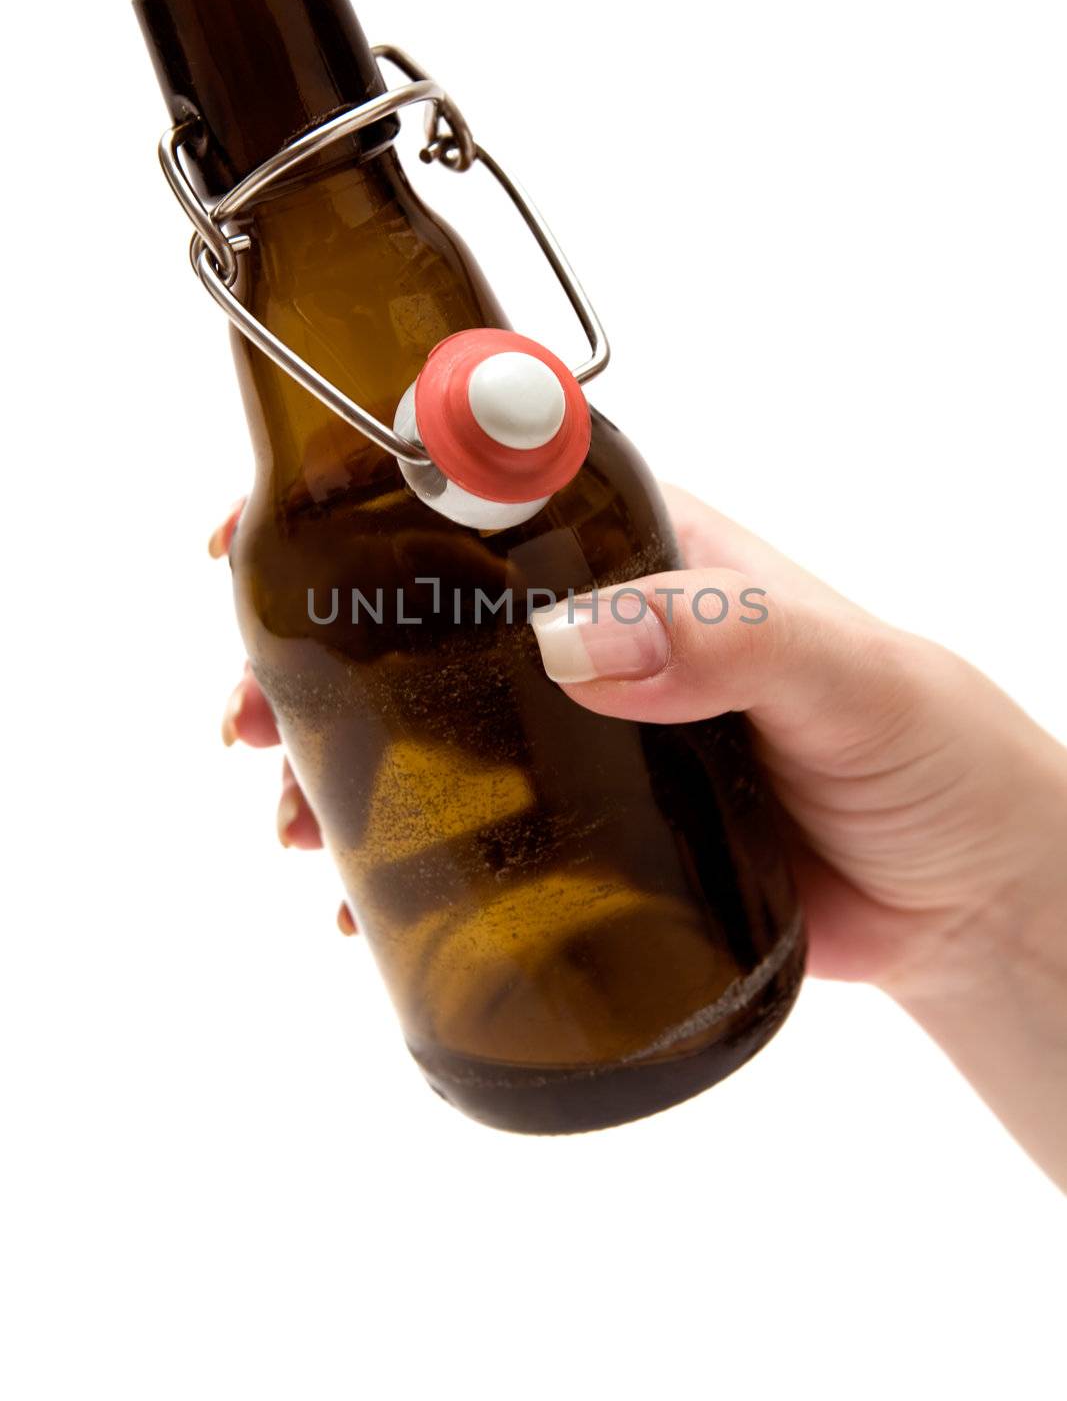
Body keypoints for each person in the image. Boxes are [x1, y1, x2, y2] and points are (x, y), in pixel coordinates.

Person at [212, 484, 1067, 1188]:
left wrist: (991, 900)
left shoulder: (574, 479)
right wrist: (976, 922)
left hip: (744, 954)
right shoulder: (289, 544)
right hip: (516, 1036)